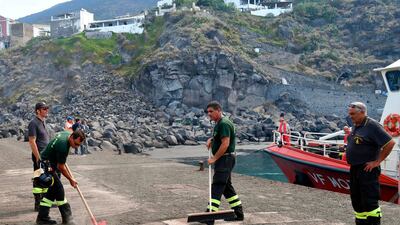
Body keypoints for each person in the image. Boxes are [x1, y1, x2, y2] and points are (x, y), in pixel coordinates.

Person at [346, 102, 395, 225]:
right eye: (349, 114)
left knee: (369, 201)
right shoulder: (357, 124)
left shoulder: (372, 126)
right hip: (355, 169)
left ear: (362, 112)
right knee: (356, 199)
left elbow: (390, 143)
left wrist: (377, 162)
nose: (350, 117)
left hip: (367, 170)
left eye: (353, 114)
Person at [203, 101, 243, 225]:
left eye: (211, 111)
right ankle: (238, 213)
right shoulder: (220, 123)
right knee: (226, 187)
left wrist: (214, 158)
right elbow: (220, 139)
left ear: (218, 110)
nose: (208, 114)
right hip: (225, 159)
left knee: (217, 185)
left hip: (225, 159)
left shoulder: (224, 123)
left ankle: (210, 216)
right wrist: (212, 140)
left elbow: (225, 143)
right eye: (207, 112)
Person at [35, 130, 85, 225]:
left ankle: (42, 218)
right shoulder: (63, 147)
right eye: (75, 144)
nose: (76, 147)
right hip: (47, 166)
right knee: (59, 189)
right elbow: (61, 167)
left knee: (51, 193)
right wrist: (71, 179)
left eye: (78, 145)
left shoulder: (66, 134)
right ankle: (68, 220)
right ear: (71, 137)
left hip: (46, 162)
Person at [28, 102, 50, 211]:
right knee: (38, 179)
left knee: (46, 179)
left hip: (45, 156)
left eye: (47, 108)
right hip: (39, 156)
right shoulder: (34, 123)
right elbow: (32, 141)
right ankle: (38, 204)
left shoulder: (42, 122)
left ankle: (44, 202)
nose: (47, 110)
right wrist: (38, 157)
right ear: (38, 110)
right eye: (44, 108)